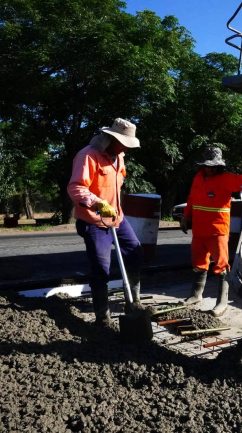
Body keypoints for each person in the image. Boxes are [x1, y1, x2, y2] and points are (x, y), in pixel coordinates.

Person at [67, 118, 144, 328]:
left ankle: (134, 302)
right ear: (111, 138)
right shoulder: (88, 155)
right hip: (94, 221)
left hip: (117, 217)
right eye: (124, 143)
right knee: (101, 269)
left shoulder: (119, 157)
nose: (126, 149)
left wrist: (112, 207)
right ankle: (102, 317)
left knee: (135, 251)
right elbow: (75, 188)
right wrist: (98, 203)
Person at [180, 147, 242, 317]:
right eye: (207, 166)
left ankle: (222, 302)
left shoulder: (225, 179)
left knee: (221, 265)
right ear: (202, 165)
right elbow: (191, 198)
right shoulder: (198, 177)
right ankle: (196, 295)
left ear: (219, 166)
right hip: (199, 230)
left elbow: (241, 180)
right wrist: (185, 216)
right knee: (198, 263)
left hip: (217, 231)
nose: (210, 169)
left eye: (213, 166)